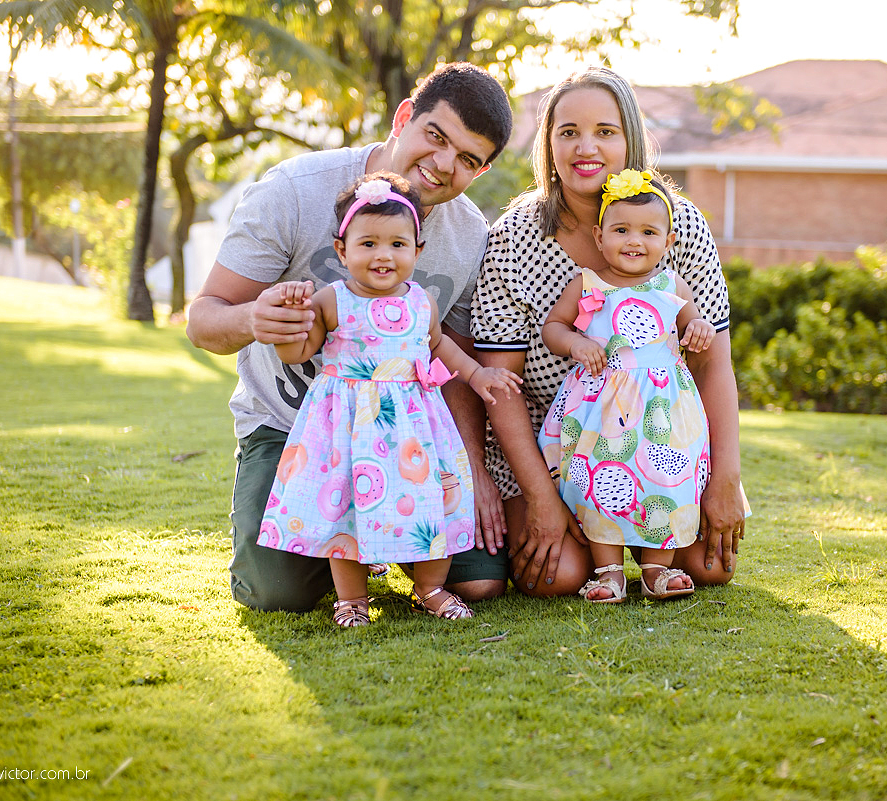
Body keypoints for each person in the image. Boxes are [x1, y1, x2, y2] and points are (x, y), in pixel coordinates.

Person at [186, 63, 514, 613]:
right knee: (277, 590)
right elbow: (203, 319)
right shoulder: (292, 191)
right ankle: (359, 548)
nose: (442, 165)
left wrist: (472, 467)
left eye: (467, 160)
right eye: (436, 137)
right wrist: (254, 321)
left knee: (479, 579)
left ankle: (394, 540)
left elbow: (447, 358)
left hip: (411, 437)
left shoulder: (468, 234)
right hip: (298, 431)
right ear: (404, 117)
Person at [472, 66, 749, 598]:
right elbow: (499, 384)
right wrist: (542, 498)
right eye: (567, 131)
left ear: (631, 139)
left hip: (657, 438)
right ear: (548, 144)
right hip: (552, 448)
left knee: (709, 567)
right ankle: (586, 538)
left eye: (605, 131)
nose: (585, 147)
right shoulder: (515, 235)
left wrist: (726, 478)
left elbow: (715, 362)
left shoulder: (677, 223)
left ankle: (652, 557)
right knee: (561, 577)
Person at [260, 173, 521, 627]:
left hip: (415, 426)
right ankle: (352, 598)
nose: (384, 255)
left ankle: (430, 587)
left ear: (417, 251)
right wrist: (291, 320)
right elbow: (299, 351)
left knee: (433, 504)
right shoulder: (331, 300)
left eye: (398, 244)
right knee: (343, 508)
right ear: (342, 250)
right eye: (369, 244)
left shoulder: (422, 302)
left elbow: (439, 345)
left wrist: (478, 374)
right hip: (349, 424)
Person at [536, 169, 719, 603]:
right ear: (600, 237)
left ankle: (657, 568)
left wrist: (699, 328)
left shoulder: (670, 283)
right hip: (600, 406)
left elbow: (692, 321)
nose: (634, 241)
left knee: (666, 483)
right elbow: (553, 328)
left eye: (648, 232)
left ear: (668, 241)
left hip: (663, 405)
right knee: (597, 482)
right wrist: (576, 343)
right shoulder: (587, 281)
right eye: (621, 230)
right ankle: (609, 571)